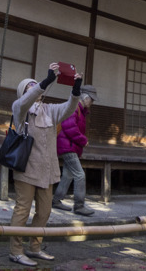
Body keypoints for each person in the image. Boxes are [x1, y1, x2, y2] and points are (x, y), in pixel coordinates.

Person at [8, 62, 82, 267]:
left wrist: (75, 90)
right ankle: (15, 251)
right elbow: (24, 102)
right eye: (29, 87)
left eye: (36, 86)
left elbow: (68, 109)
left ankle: (35, 247)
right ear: (23, 92)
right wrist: (46, 81)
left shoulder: (49, 110)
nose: (35, 88)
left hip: (48, 171)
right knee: (22, 210)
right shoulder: (19, 108)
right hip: (26, 170)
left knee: (45, 212)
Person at [52, 84, 97, 216]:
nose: (92, 102)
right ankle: (79, 206)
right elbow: (69, 127)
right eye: (92, 99)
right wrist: (83, 140)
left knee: (68, 175)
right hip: (68, 146)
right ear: (85, 97)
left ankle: (56, 200)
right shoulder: (74, 108)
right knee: (80, 175)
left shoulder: (79, 109)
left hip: (68, 145)